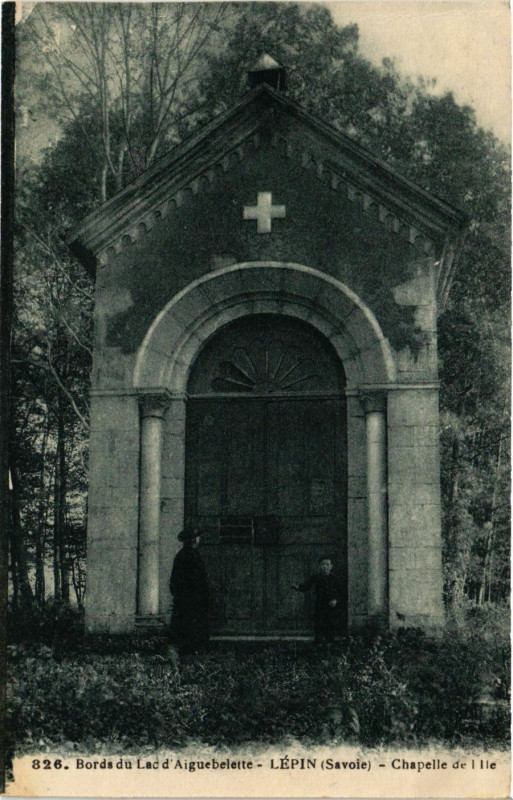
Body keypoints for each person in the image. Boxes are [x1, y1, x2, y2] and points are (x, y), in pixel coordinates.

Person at [168, 527, 210, 654]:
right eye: (197, 537)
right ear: (193, 540)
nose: (199, 540)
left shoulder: (182, 555)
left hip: (185, 599)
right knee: (191, 628)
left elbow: (173, 582)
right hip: (192, 599)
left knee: (184, 628)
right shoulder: (191, 556)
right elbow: (196, 579)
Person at [292, 557, 341, 645]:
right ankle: (318, 642)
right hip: (320, 604)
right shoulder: (316, 577)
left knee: (330, 622)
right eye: (323, 564)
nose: (325, 567)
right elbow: (307, 585)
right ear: (319, 566)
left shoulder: (335, 579)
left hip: (332, 605)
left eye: (327, 564)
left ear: (331, 566)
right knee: (319, 622)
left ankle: (330, 642)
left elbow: (340, 591)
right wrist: (298, 587)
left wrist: (336, 600)